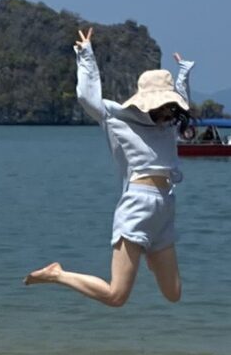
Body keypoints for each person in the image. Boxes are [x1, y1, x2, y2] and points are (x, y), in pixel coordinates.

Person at [24, 28, 194, 307]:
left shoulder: (168, 125)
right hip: (138, 204)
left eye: (169, 105)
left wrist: (184, 72)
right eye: (162, 105)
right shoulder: (119, 120)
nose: (167, 110)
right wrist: (86, 55)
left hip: (165, 207)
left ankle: (148, 250)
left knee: (173, 293)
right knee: (117, 296)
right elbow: (89, 99)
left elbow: (183, 100)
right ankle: (57, 274)